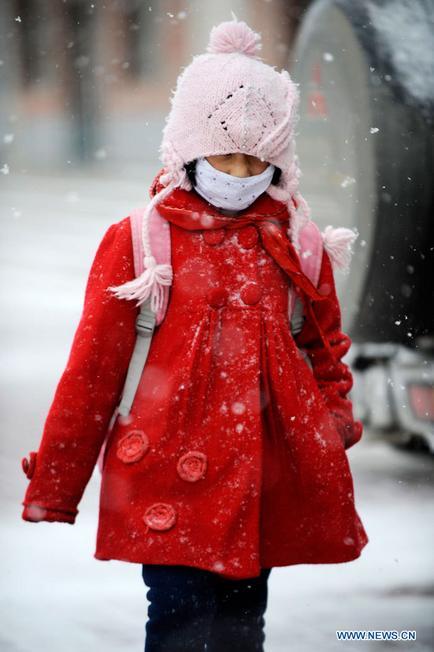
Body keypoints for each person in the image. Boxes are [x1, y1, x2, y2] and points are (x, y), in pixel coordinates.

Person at [20, 17, 369, 652]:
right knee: (178, 621)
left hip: (262, 471)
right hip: (164, 471)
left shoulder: (297, 242)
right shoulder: (140, 240)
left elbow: (324, 348)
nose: (240, 171)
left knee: (242, 625)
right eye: (224, 154)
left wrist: (331, 425)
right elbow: (94, 368)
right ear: (187, 150)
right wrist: (57, 483)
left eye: (257, 157)